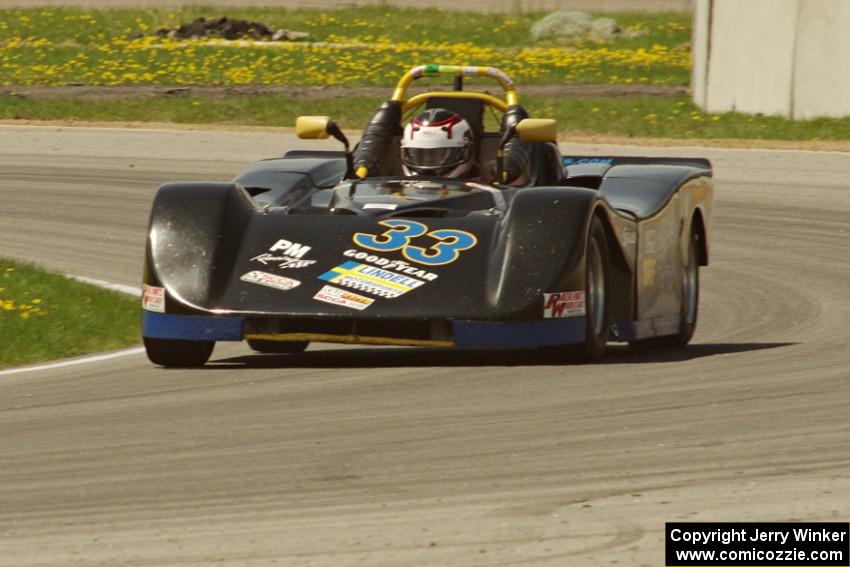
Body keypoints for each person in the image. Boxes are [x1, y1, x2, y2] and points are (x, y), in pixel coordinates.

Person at [400, 108, 476, 178]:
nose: (428, 160)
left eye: (437, 154)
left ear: (466, 152)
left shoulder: (482, 190)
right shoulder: (394, 188)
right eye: (419, 155)